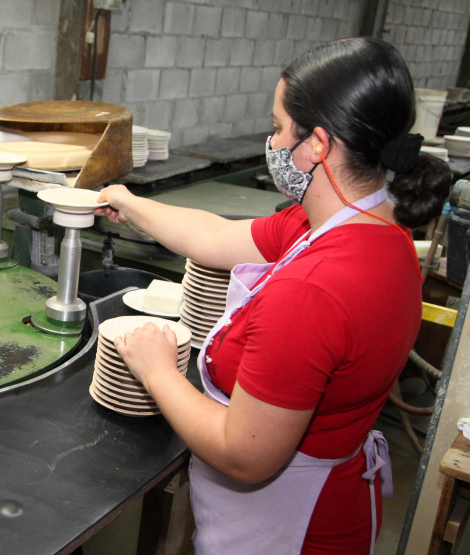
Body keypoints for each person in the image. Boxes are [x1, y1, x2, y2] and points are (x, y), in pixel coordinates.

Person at [96, 37, 451, 554]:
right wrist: (130, 204)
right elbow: (216, 238)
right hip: (336, 496)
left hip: (290, 531)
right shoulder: (372, 229)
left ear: (318, 145)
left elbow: (244, 455)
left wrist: (156, 370)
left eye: (279, 126)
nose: (273, 140)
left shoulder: (315, 290)